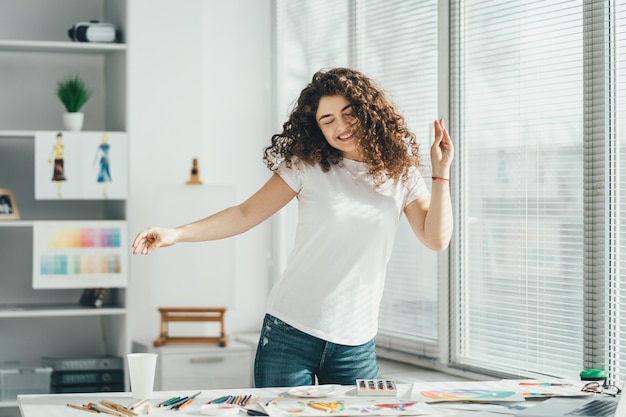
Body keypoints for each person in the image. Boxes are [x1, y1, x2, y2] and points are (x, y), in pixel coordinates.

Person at [132, 67, 454, 388]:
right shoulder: (307, 165)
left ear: (367, 111)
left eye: (348, 113)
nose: (340, 126)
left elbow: (436, 238)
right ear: (318, 128)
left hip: (356, 346)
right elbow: (244, 214)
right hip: (290, 335)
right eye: (327, 121)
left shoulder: (400, 173)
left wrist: (441, 174)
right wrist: (175, 234)